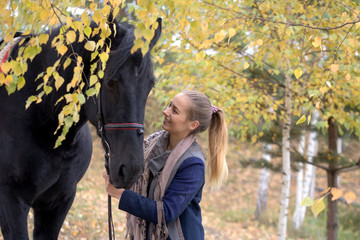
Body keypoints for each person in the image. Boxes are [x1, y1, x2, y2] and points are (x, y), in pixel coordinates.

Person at [103, 90, 228, 240]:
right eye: (170, 105)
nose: (165, 111)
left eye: (174, 111)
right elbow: (135, 171)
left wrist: (120, 194)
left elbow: (165, 212)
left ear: (193, 124)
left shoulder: (193, 163)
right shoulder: (154, 142)